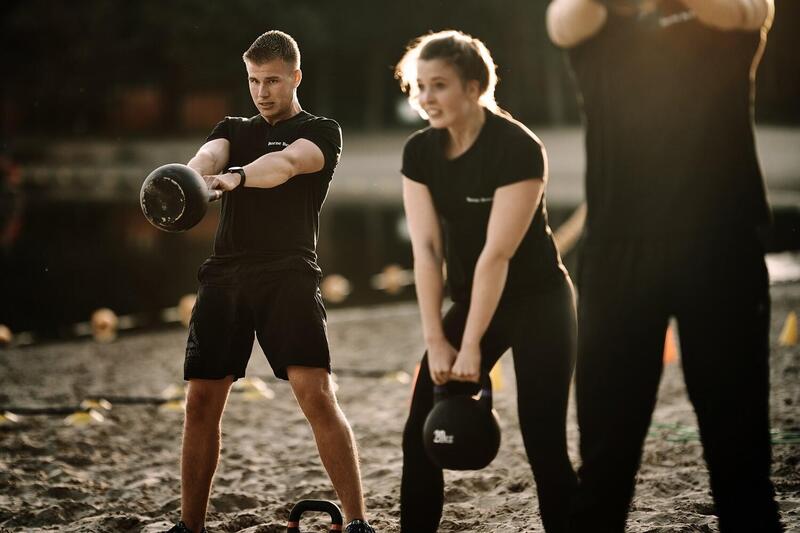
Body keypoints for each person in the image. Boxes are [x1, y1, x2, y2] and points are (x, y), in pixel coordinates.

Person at [546, 1, 784, 531]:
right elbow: (562, 21)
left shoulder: (726, 14)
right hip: (618, 253)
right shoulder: (597, 24)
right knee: (606, 458)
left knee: (739, 456)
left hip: (721, 248)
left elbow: (748, 12)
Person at [165, 30, 375, 533]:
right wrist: (192, 180)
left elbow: (283, 166)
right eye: (255, 81)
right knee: (200, 403)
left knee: (317, 395)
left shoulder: (322, 131)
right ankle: (189, 526)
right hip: (225, 275)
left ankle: (358, 521)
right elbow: (206, 159)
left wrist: (234, 179)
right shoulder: (232, 127)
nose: (262, 91)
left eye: (273, 81)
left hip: (288, 273)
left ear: (296, 77)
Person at [395, 30, 578, 533]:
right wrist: (437, 341)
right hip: (473, 299)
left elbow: (497, 255)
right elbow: (427, 253)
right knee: (420, 436)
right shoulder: (420, 153)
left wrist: (472, 345)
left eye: (439, 85)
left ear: (474, 87)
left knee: (544, 443)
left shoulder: (518, 148)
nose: (426, 98)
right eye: (419, 87)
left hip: (540, 302)